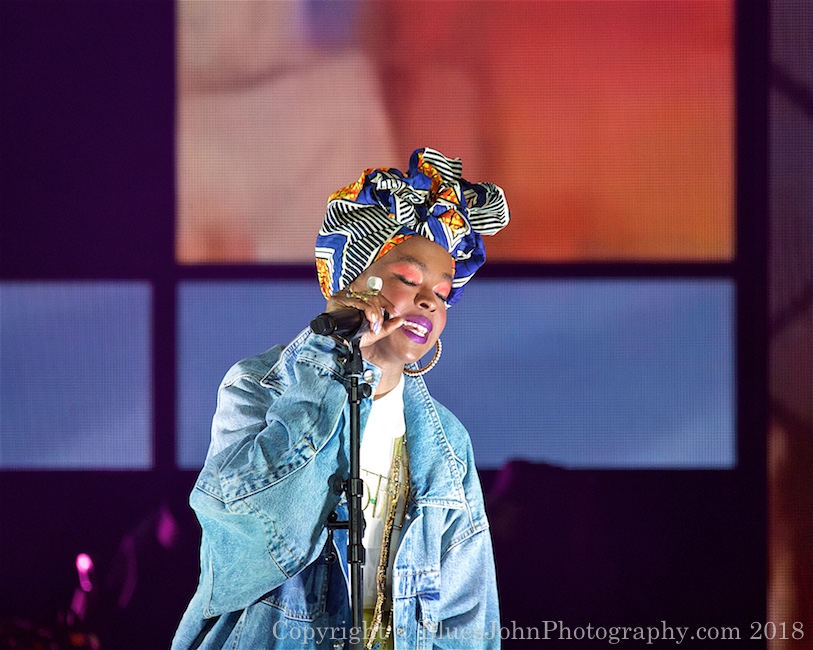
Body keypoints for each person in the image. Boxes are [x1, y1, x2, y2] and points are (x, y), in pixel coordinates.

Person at [172, 148, 509, 649]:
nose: (428, 303)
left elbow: (467, 619)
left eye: (442, 293)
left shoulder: (448, 443)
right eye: (408, 279)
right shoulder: (256, 388)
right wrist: (328, 360)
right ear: (349, 279)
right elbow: (244, 554)